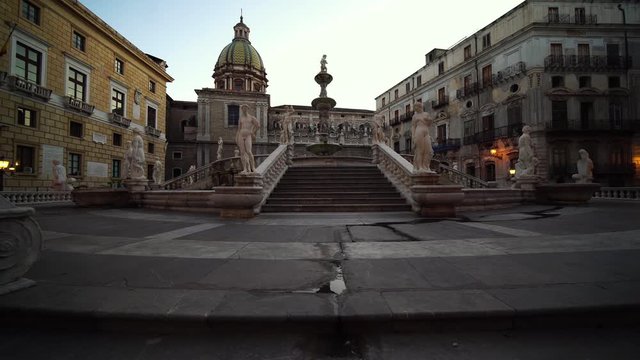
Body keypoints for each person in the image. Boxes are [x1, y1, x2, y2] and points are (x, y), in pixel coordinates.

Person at [235, 104, 260, 174]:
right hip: (241, 134)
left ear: (247, 109)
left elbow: (258, 125)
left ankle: (253, 168)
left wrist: (252, 132)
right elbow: (239, 129)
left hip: (248, 135)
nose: (244, 109)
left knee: (249, 151)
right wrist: (236, 137)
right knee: (242, 152)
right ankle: (245, 168)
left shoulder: (251, 118)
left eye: (245, 108)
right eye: (243, 108)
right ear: (242, 109)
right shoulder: (241, 118)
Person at [411, 102, 434, 173]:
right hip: (419, 131)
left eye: (415, 107)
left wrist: (429, 120)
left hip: (426, 132)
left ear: (419, 107)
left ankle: (426, 167)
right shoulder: (415, 116)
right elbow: (413, 126)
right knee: (420, 150)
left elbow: (429, 124)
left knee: (429, 150)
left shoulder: (426, 114)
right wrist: (413, 136)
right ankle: (420, 167)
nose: (414, 109)